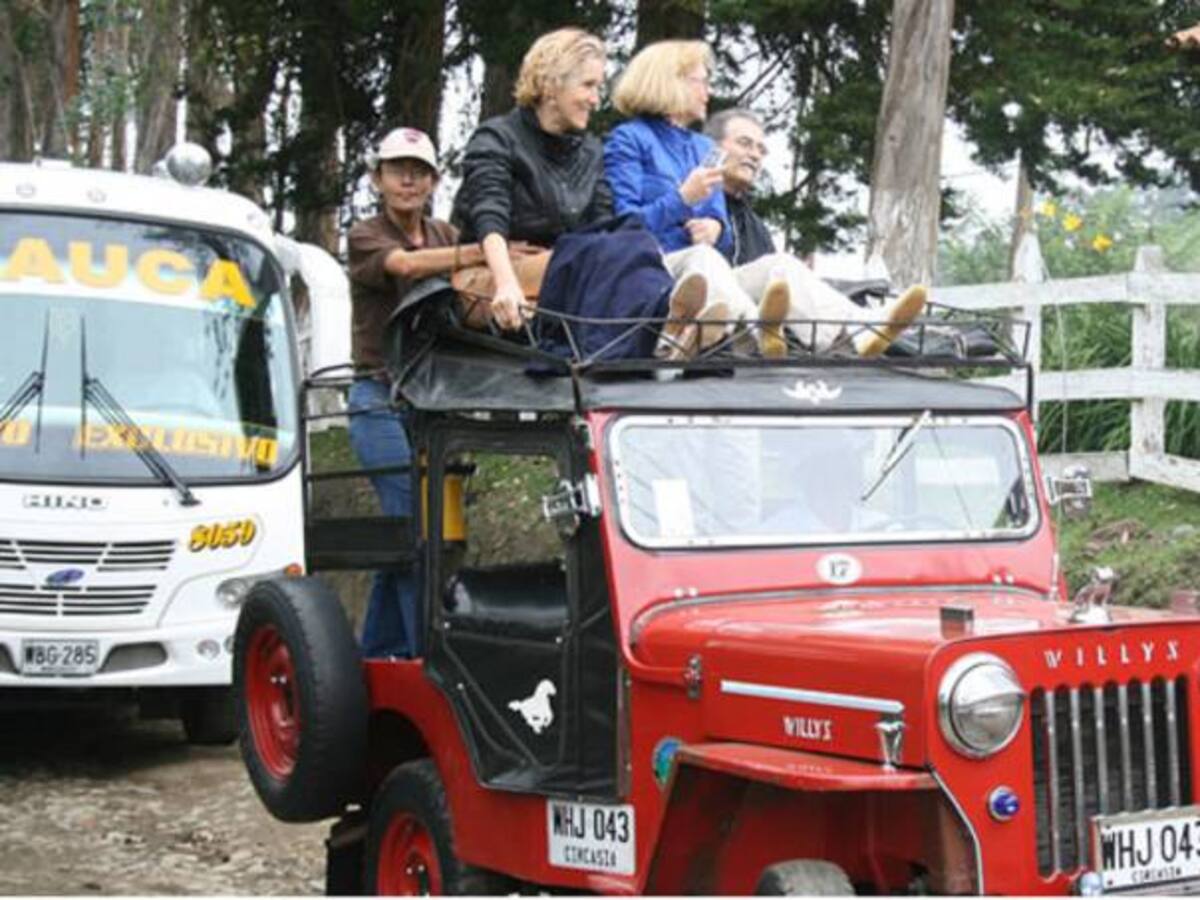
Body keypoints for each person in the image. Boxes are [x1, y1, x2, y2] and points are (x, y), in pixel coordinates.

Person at [605, 45, 923, 357]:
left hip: (715, 284)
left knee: (780, 265)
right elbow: (626, 227)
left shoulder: (703, 146)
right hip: (662, 276)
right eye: (701, 81)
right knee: (703, 257)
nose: (709, 91)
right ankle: (760, 335)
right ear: (670, 82)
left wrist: (716, 229)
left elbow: (723, 234)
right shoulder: (629, 138)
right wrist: (681, 200)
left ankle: (858, 329)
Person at [347, 126, 482, 658]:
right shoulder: (367, 234)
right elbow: (401, 265)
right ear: (378, 178)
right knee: (416, 530)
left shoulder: (445, 233)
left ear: (433, 181)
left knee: (413, 540)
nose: (408, 179)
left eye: (419, 170)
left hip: (433, 403)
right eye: (398, 169)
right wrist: (478, 251)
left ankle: (377, 659)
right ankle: (432, 657)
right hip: (378, 399)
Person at [704, 107, 926, 356]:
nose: (755, 155)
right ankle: (858, 330)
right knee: (781, 268)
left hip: (748, 332)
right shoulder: (691, 199)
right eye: (745, 144)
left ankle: (853, 335)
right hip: (703, 314)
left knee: (782, 275)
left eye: (760, 149)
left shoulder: (754, 224)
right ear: (712, 148)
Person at [451, 28, 613, 332]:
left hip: (568, 267)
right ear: (551, 85)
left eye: (598, 87)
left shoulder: (591, 151)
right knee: (594, 260)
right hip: (490, 274)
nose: (595, 99)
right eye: (588, 85)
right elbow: (489, 216)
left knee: (635, 248)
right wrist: (506, 284)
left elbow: (604, 224)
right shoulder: (497, 138)